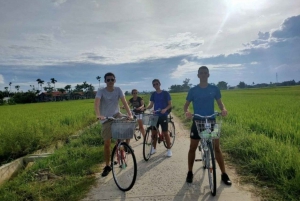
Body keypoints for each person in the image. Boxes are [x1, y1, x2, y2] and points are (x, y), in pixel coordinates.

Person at [183, 66, 232, 185]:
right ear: (198, 75)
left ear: (208, 75)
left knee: (216, 148)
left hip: (211, 121)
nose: (203, 75)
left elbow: (220, 104)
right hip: (197, 121)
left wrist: (224, 109)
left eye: (205, 73)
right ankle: (190, 172)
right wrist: (187, 112)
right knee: (192, 148)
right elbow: (186, 105)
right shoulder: (193, 90)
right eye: (201, 73)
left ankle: (224, 174)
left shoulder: (214, 89)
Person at [94, 72, 133, 177]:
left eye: (112, 79)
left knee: (129, 123)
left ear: (115, 80)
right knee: (107, 143)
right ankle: (107, 165)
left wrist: (130, 114)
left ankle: (125, 145)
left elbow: (124, 102)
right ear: (105, 81)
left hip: (116, 115)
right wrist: (99, 115)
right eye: (108, 80)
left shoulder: (118, 90)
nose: (110, 81)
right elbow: (96, 103)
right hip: (106, 118)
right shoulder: (101, 91)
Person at [145, 79, 173, 157]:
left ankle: (169, 149)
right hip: (155, 115)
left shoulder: (165, 93)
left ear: (160, 84)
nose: (155, 85)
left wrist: (165, 109)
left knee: (165, 133)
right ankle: (154, 148)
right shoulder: (153, 94)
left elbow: (170, 104)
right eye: (154, 85)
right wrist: (145, 108)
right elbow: (151, 105)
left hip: (163, 115)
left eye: (157, 84)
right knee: (153, 133)